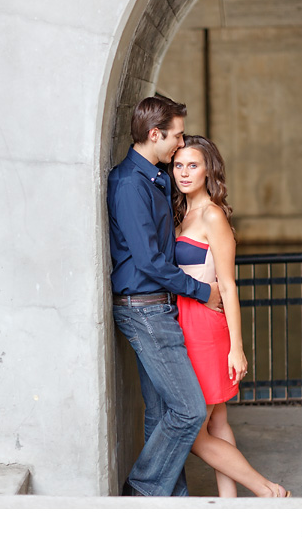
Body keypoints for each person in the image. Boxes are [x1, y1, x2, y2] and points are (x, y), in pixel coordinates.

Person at [108, 95, 222, 496]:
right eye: (176, 136)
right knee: (189, 411)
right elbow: (150, 262)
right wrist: (201, 291)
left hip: (158, 307)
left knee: (160, 414)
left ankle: (173, 505)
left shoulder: (152, 179)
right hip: (145, 311)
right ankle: (142, 489)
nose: (180, 143)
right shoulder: (129, 185)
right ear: (155, 134)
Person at [169, 135, 290, 498]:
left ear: (208, 170)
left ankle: (268, 491)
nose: (184, 173)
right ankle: (229, 505)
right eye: (178, 165)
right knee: (217, 419)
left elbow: (230, 286)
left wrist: (236, 348)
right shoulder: (184, 213)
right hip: (185, 321)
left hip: (206, 329)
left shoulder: (212, 215)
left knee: (191, 431)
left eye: (193, 165)